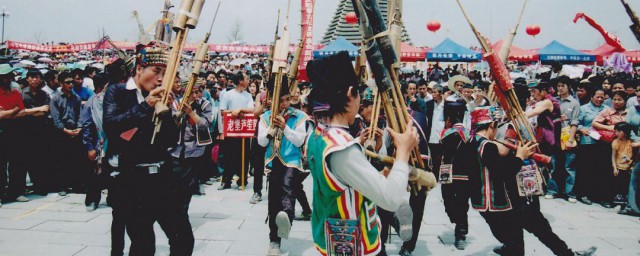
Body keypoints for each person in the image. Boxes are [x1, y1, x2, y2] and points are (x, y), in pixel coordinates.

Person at [305, 51, 432, 256]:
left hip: (332, 237)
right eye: (360, 95)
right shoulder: (341, 147)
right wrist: (403, 151)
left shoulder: (318, 134)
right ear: (349, 93)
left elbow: (341, 182)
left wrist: (376, 175)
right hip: (354, 246)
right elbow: (390, 199)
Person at [469, 107, 596, 256]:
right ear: (492, 126)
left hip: (497, 201)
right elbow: (502, 172)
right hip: (501, 201)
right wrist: (519, 157)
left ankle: (565, 253)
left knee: (536, 227)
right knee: (530, 232)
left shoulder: (472, 142)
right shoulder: (487, 145)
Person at [103, 41, 181, 255]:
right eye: (156, 71)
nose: (160, 79)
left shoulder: (163, 97)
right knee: (140, 240)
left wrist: (171, 115)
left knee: (182, 238)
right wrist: (146, 105)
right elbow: (111, 126)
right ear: (139, 69)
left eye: (165, 74)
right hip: (129, 176)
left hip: (162, 175)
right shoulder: (118, 92)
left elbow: (170, 141)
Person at [257, 78, 309, 255]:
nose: (285, 103)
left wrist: (285, 127)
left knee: (288, 188)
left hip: (292, 161)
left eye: (287, 99)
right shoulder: (265, 117)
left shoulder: (299, 116)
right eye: (281, 100)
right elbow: (261, 142)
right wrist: (270, 129)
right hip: (273, 161)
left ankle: (286, 216)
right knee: (273, 199)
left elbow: (299, 140)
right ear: (272, 99)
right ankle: (274, 240)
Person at [439, 101, 472, 250]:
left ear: (449, 119)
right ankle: (460, 230)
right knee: (462, 206)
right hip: (464, 176)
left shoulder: (445, 134)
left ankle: (460, 234)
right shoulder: (469, 134)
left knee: (450, 204)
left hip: (447, 175)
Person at [50, 71, 85, 196]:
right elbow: (56, 119)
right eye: (67, 82)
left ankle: (76, 185)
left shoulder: (76, 98)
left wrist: (79, 127)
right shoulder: (55, 99)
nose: (71, 84)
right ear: (61, 84)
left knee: (75, 160)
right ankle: (62, 186)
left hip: (74, 130)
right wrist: (65, 130)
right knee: (62, 160)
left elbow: (80, 114)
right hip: (62, 132)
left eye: (72, 82)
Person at [592, 91, 629, 208]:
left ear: (625, 101)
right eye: (615, 99)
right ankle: (604, 198)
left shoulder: (629, 113)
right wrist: (610, 128)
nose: (617, 102)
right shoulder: (607, 111)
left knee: (620, 172)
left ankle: (616, 197)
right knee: (606, 171)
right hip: (607, 145)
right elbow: (595, 123)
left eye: (620, 100)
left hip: (623, 146)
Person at [218, 72, 255, 190]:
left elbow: (252, 109)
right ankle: (226, 180)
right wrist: (233, 112)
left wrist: (240, 110)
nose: (248, 81)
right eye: (246, 79)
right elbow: (222, 111)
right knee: (229, 155)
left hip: (244, 129)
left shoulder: (248, 95)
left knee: (244, 155)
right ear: (240, 81)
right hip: (231, 128)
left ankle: (242, 180)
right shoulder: (227, 94)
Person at [574, 87, 607, 205]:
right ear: (592, 97)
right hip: (587, 142)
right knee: (586, 169)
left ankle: (596, 195)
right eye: (597, 97)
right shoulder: (583, 109)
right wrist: (581, 129)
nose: (599, 99)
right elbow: (576, 123)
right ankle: (583, 194)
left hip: (602, 143)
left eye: (602, 97)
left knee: (598, 170)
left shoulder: (607, 109)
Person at [554, 76, 580, 202]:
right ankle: (552, 190)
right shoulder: (554, 101)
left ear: (568, 86)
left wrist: (570, 139)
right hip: (554, 137)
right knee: (554, 165)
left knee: (569, 167)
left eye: (562, 86)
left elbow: (575, 123)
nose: (560, 88)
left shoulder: (574, 103)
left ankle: (570, 193)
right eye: (558, 86)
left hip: (567, 136)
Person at [611, 122, 635, 206]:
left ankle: (624, 202)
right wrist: (614, 168)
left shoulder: (630, 142)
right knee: (618, 184)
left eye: (618, 131)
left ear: (625, 132)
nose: (616, 133)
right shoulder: (616, 142)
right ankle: (615, 201)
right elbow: (613, 156)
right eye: (615, 131)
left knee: (625, 185)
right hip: (619, 167)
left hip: (628, 168)